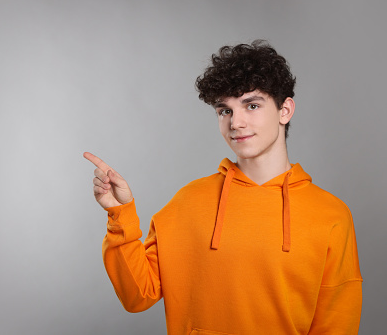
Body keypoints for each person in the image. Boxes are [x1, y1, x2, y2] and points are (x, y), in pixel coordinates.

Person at [83, 40, 363, 335]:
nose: (236, 123)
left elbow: (336, 323)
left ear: (285, 110)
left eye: (252, 106)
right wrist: (120, 215)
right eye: (224, 111)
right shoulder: (189, 201)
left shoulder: (330, 215)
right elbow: (137, 296)